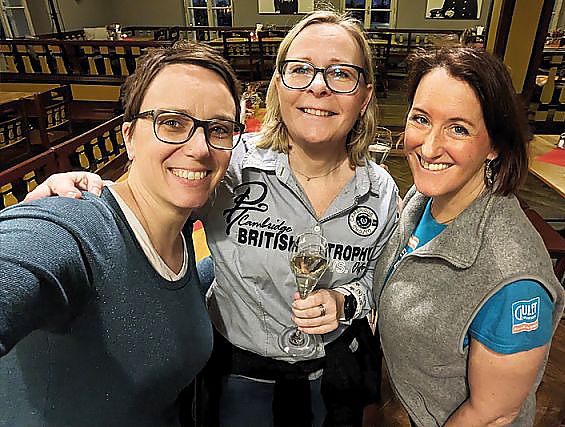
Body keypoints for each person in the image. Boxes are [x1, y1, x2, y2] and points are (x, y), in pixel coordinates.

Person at [25, 11, 399, 427]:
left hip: (333, 375)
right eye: (300, 69)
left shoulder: (381, 191)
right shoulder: (226, 164)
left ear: (364, 95)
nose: (318, 86)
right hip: (239, 378)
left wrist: (345, 300)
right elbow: (150, 206)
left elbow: (376, 279)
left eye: (341, 73)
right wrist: (88, 199)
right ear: (278, 85)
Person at [0, 41, 243, 427]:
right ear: (129, 136)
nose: (199, 148)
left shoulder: (182, 236)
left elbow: (164, 295)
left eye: (218, 129)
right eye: (172, 123)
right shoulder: (75, 225)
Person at [372, 47, 565, 427]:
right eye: (421, 119)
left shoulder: (513, 278)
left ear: (495, 145)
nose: (429, 148)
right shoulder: (425, 198)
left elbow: (493, 413)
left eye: (458, 129)